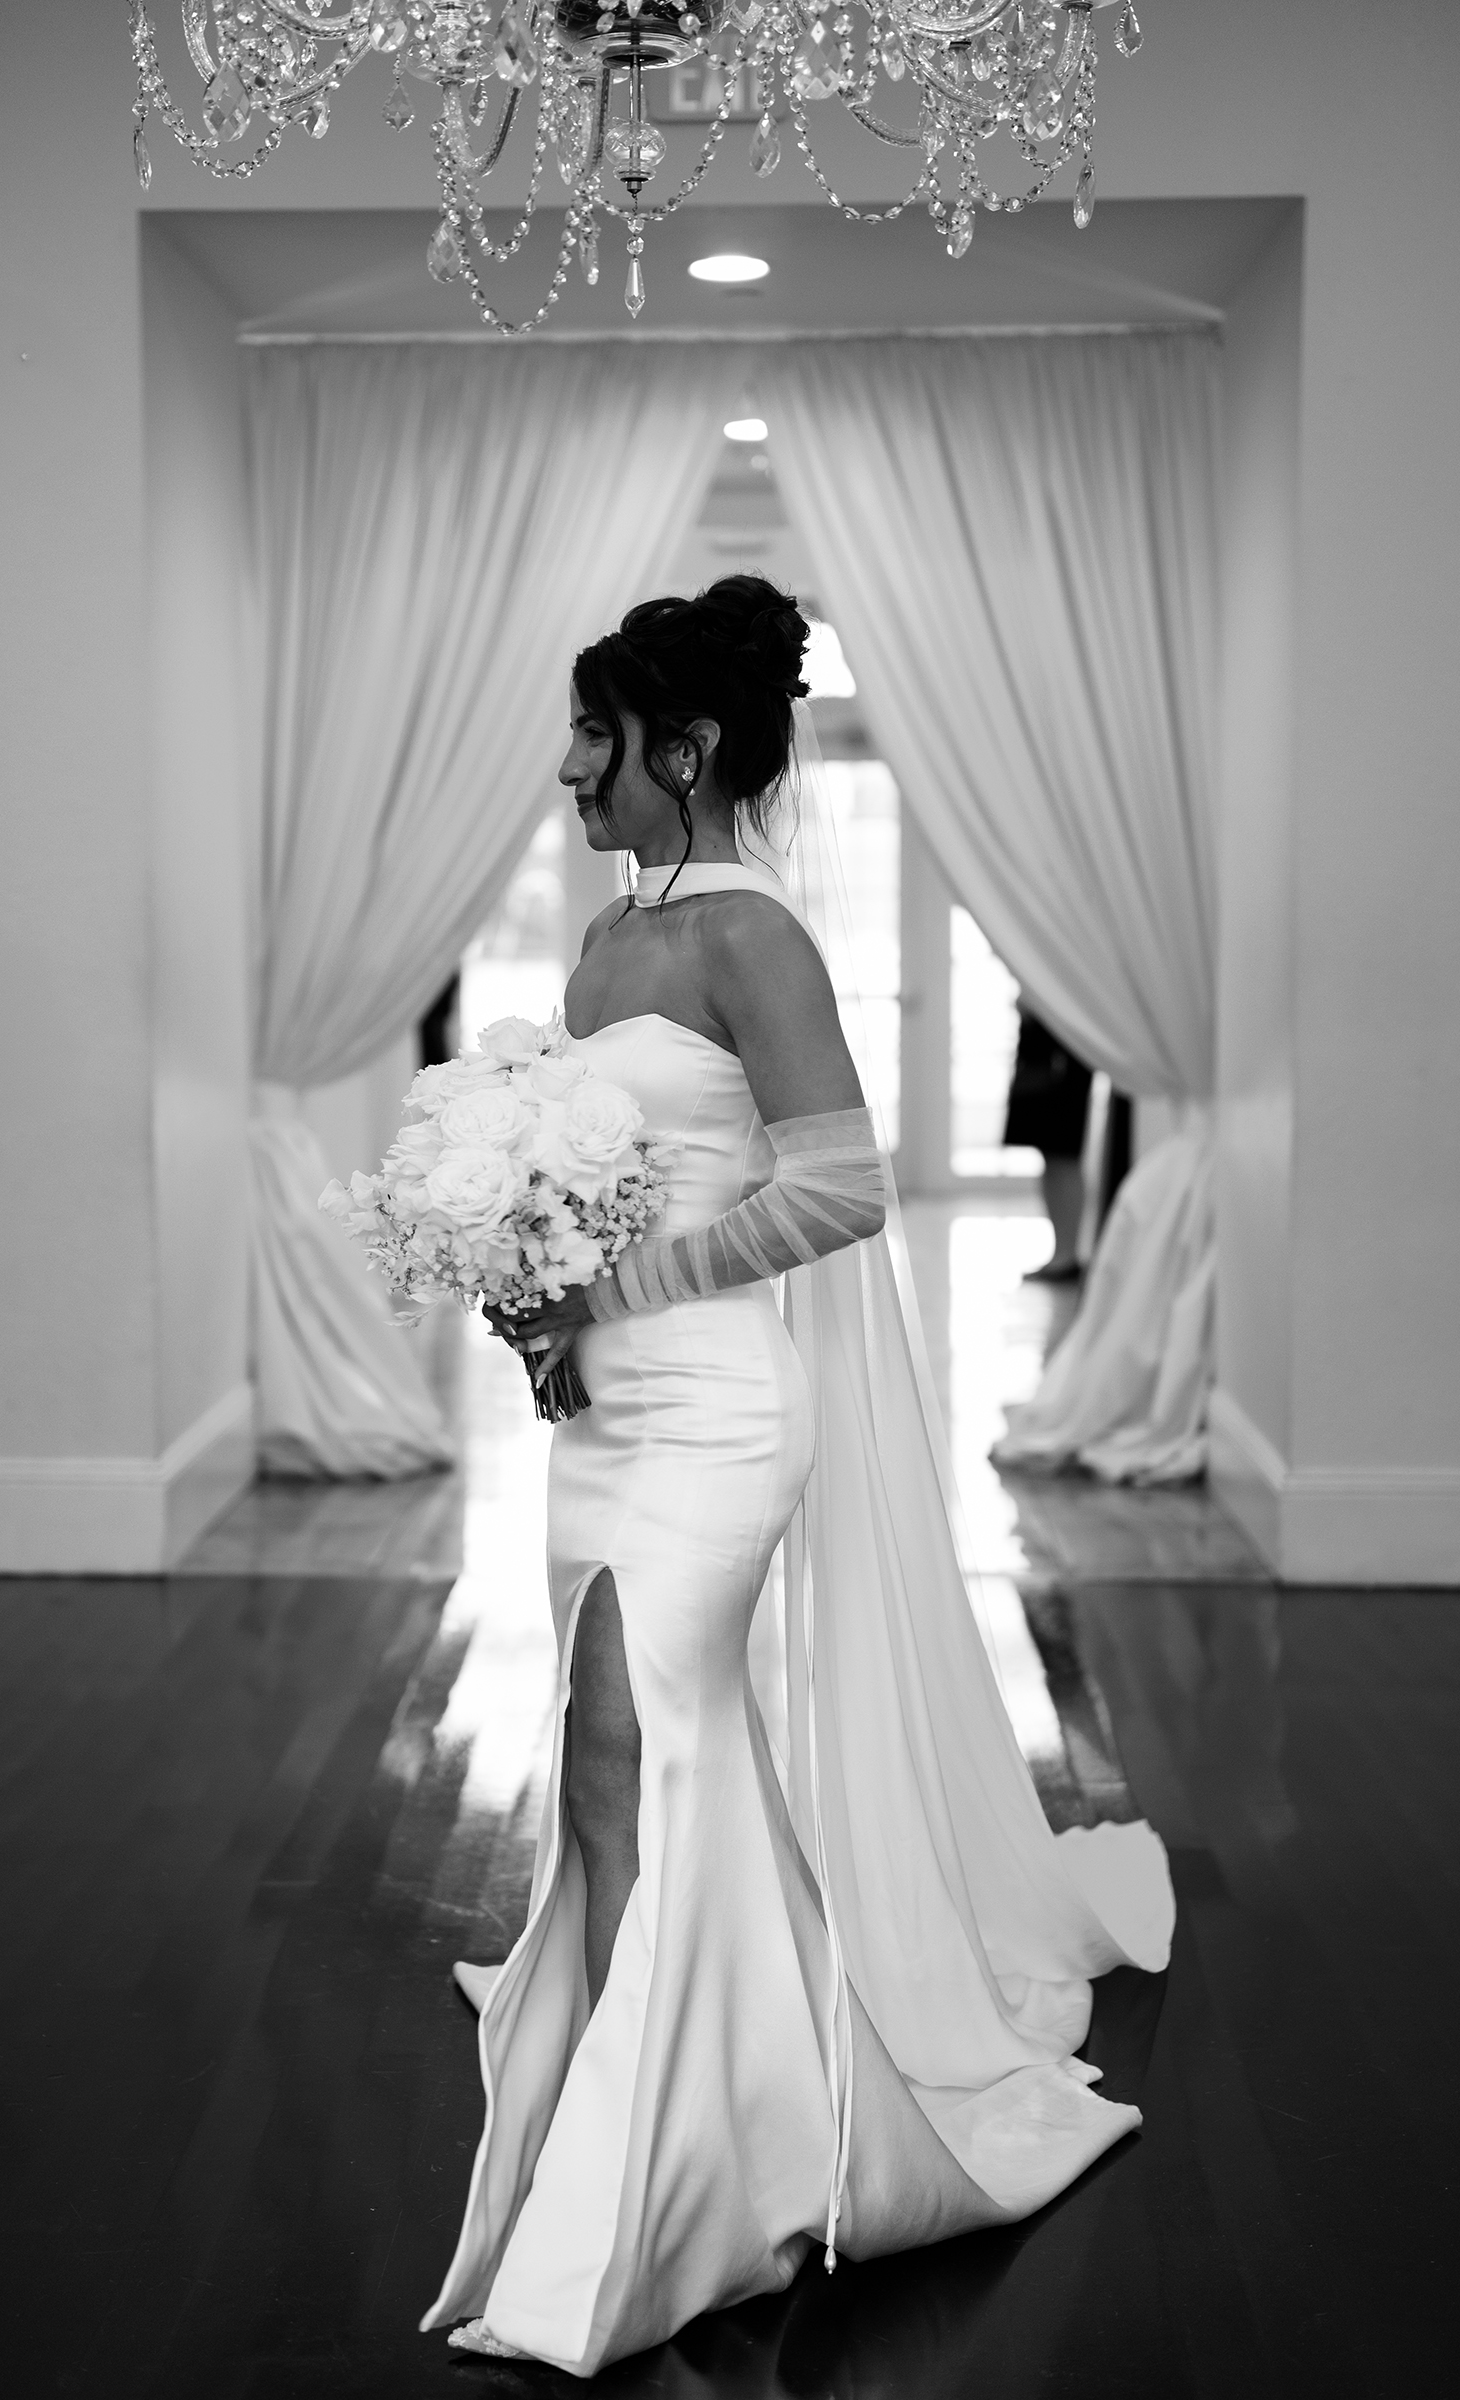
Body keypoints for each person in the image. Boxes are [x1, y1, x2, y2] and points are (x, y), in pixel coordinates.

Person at [423, 577, 1174, 2375]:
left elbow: (843, 1189)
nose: (566, 774)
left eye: (593, 741)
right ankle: (691, 2108)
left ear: (677, 752)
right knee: (624, 1775)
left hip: (719, 1417)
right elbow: (586, 1170)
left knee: (631, 1754)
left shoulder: (747, 935)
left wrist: (624, 1281)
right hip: (600, 1419)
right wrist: (536, 1304)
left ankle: (659, 2181)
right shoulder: (610, 935)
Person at [1004, 1005, 1095, 1284]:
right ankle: (1061, 1253)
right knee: (1052, 1159)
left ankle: (1066, 1255)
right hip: (1043, 1059)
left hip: (1061, 1063)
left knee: (1063, 1157)